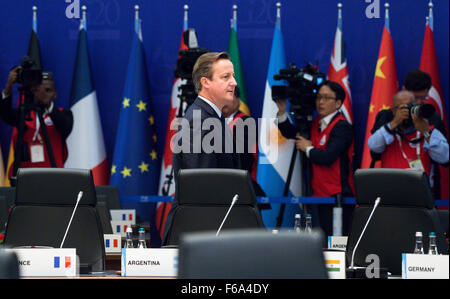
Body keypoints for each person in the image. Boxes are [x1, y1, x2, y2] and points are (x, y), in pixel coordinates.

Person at [163, 52, 240, 244]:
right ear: (205, 82)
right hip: (201, 234)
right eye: (226, 77)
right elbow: (202, 187)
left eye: (233, 76)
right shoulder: (201, 121)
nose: (234, 82)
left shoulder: (210, 117)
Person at [275, 80, 354, 236]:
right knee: (319, 240)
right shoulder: (315, 122)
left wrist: (308, 148)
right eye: (318, 97)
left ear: (338, 103)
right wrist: (282, 112)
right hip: (318, 193)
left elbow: (328, 157)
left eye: (326, 98)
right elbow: (291, 133)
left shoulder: (342, 127)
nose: (320, 102)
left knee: (337, 244)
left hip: (337, 196)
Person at [0, 66, 73, 181]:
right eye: (37, 90)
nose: (42, 94)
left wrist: (47, 105)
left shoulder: (63, 114)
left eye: (47, 90)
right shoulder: (24, 114)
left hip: (53, 178)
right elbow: (5, 114)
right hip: (24, 178)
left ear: (55, 94)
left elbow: (65, 126)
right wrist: (8, 87)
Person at [368, 90, 448, 178]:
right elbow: (374, 146)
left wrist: (425, 132)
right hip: (391, 187)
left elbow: (444, 158)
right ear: (394, 111)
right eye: (403, 108)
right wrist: (394, 123)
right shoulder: (387, 131)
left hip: (420, 189)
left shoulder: (427, 130)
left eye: (411, 106)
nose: (408, 111)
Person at [222, 86, 270, 210]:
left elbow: (244, 160)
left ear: (238, 100)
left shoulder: (245, 123)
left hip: (241, 190)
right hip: (218, 190)